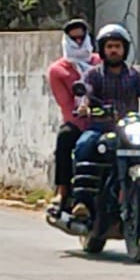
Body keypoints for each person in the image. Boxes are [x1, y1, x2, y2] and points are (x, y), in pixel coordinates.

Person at [70, 24, 140, 214]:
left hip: (129, 130)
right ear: (102, 49)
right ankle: (82, 202)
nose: (114, 50)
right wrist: (84, 106)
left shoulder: (135, 76)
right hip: (101, 128)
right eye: (110, 46)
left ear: (124, 49)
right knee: (84, 146)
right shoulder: (93, 75)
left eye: (117, 46)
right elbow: (85, 92)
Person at [46, 17, 96, 222]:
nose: (78, 42)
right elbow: (66, 104)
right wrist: (82, 113)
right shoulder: (58, 70)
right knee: (65, 139)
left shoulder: (99, 63)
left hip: (104, 121)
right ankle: (62, 191)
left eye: (81, 38)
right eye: (73, 38)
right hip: (77, 121)